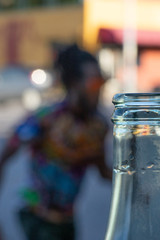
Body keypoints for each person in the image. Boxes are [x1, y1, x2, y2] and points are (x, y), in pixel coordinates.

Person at [0, 44, 112, 240]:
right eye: (94, 83)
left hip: (66, 220)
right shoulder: (47, 118)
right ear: (74, 83)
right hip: (36, 216)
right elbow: (6, 155)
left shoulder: (97, 127)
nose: (99, 88)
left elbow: (103, 171)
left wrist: (141, 182)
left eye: (102, 81)